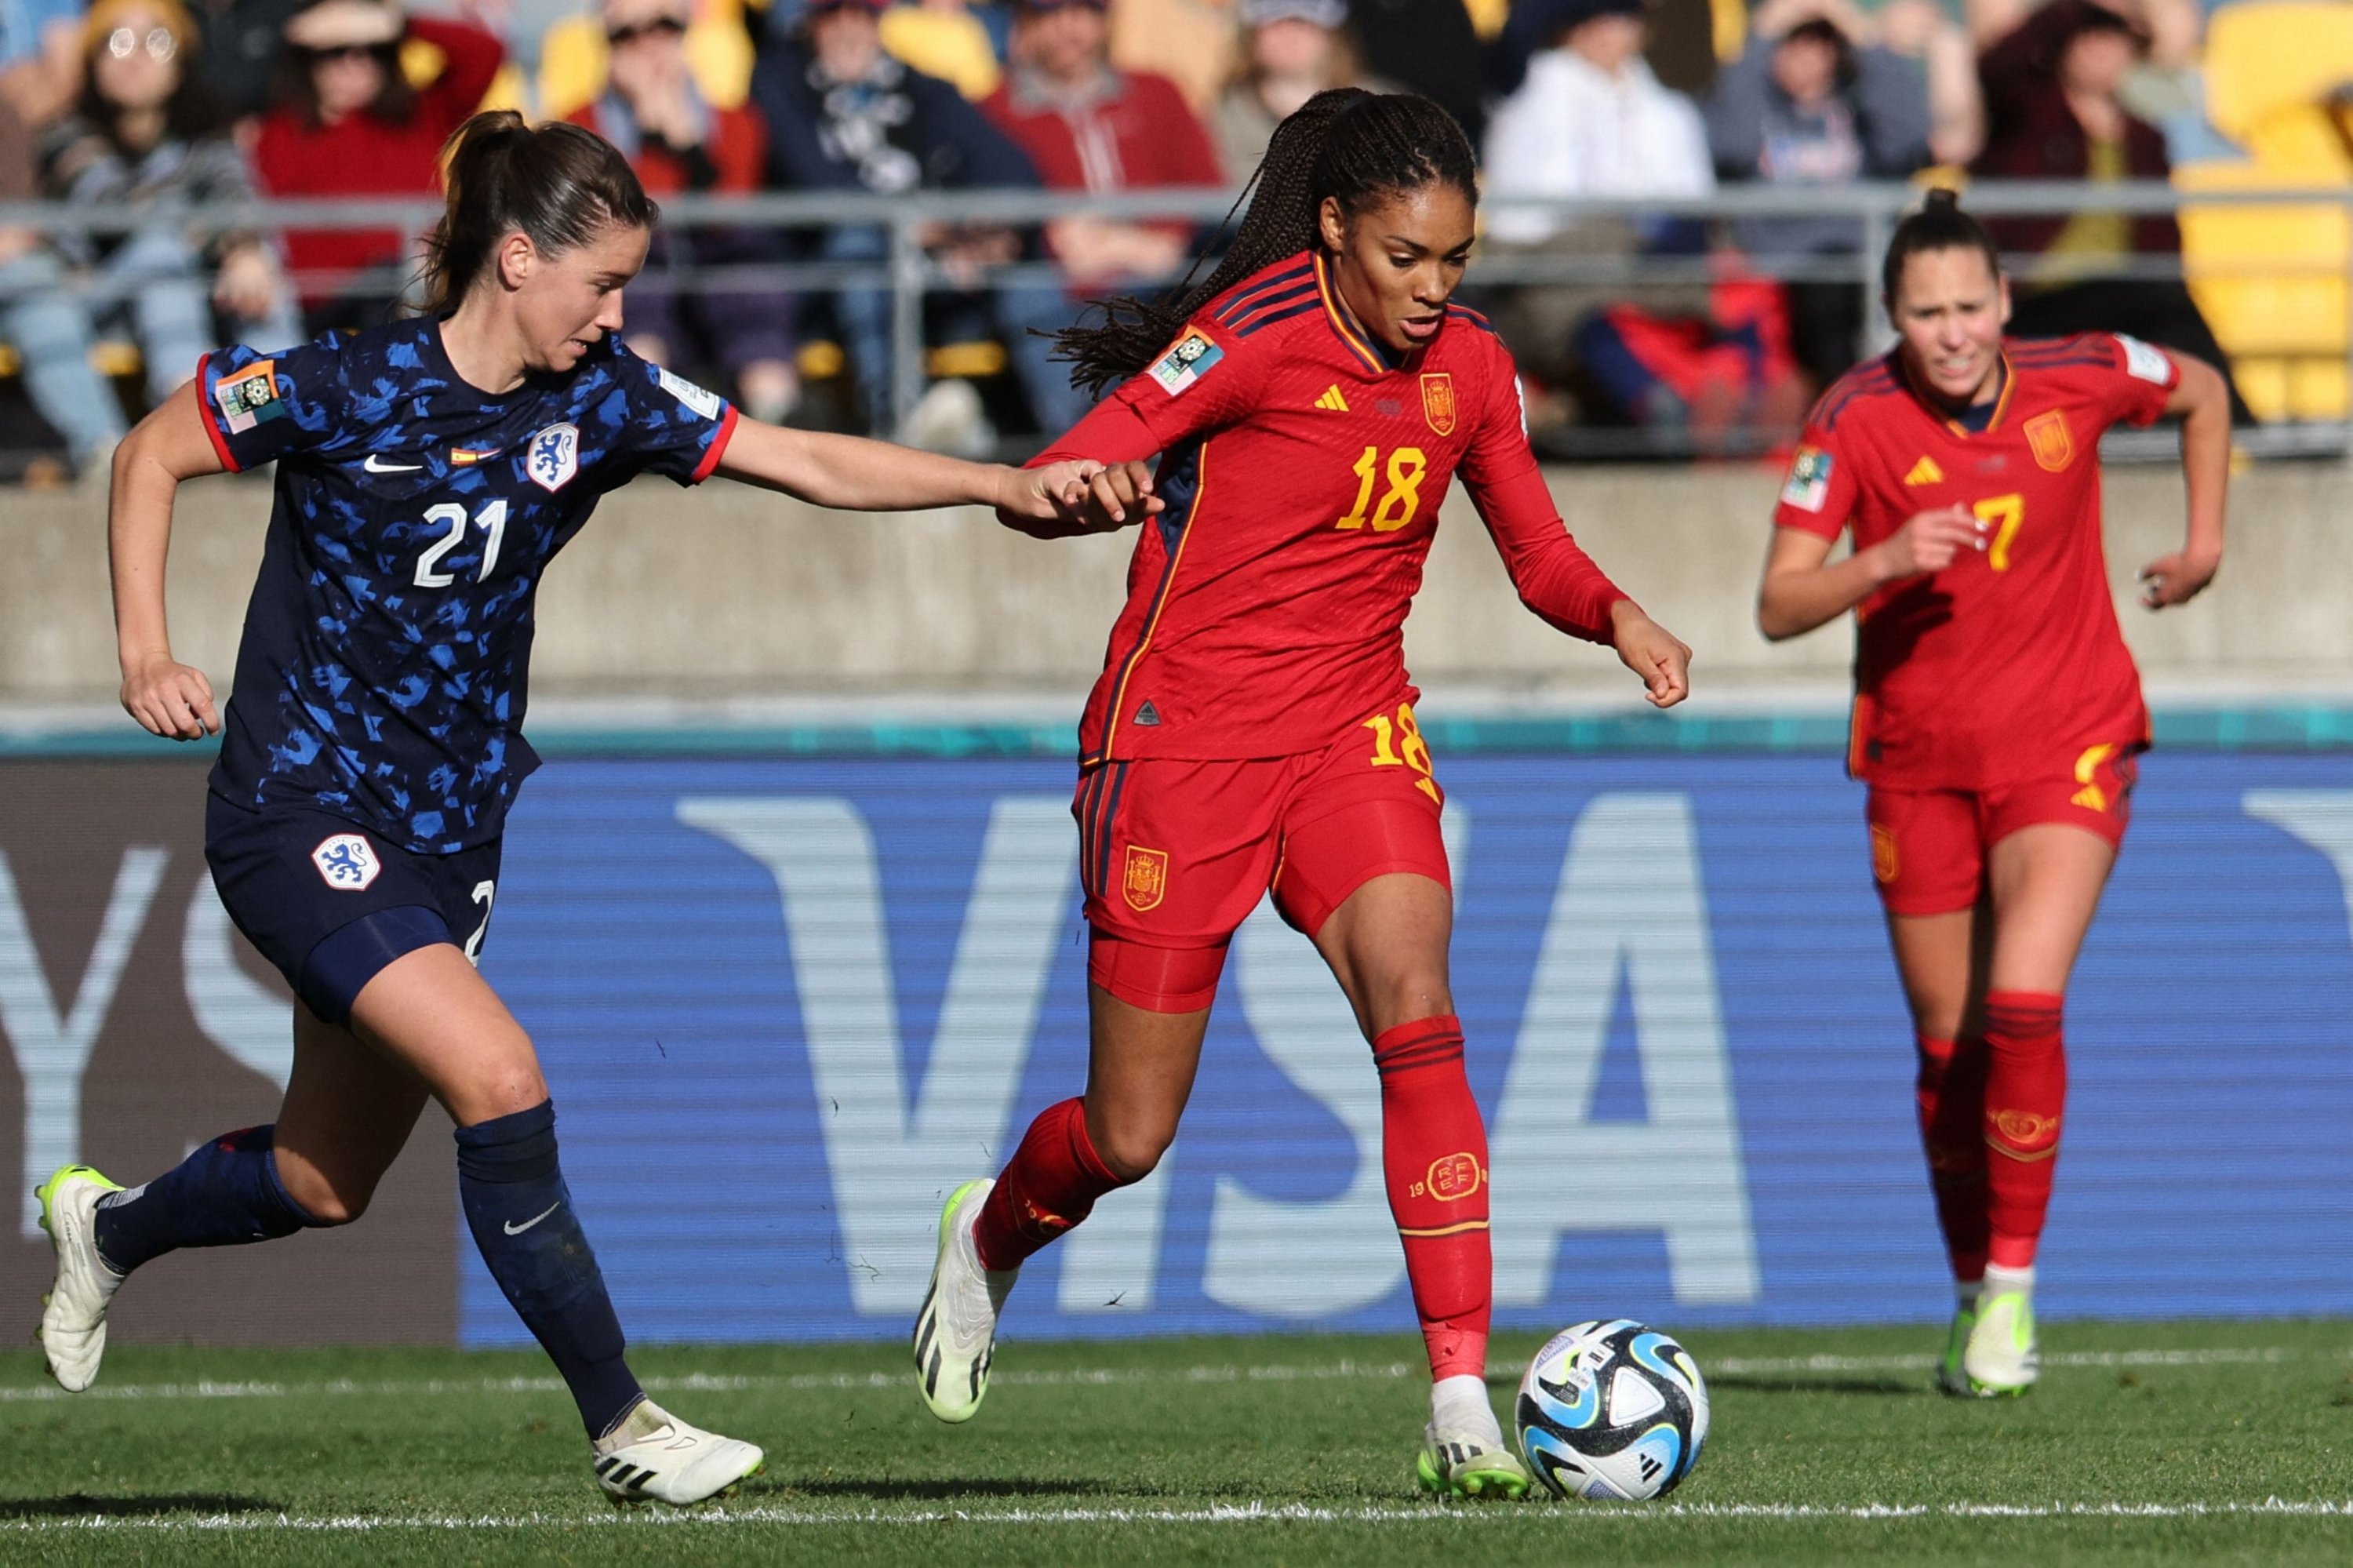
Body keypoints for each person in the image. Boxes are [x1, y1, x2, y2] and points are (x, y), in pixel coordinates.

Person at [42, 110, 1098, 1505]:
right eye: (601, 284)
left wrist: (997, 485)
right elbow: (150, 452)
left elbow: (802, 456)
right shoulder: (350, 379)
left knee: (321, 1178)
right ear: (518, 257)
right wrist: (143, 649)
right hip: (295, 803)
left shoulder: (596, 403)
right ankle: (624, 1420)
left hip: (448, 832)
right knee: (502, 1077)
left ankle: (110, 1227)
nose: (618, 314)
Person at [907, 88, 1693, 1497]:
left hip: (1351, 731)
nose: (1432, 290)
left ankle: (1458, 1394)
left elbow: (1538, 550)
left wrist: (1621, 614)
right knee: (1129, 1134)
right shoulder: (1257, 333)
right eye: (1407, 258)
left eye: (1455, 261)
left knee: (1420, 1000)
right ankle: (988, 1235)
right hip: (1180, 747)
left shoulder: (1472, 369)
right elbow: (1098, 442)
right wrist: (1074, 482)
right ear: (1336, 231)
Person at [1755, 190, 2228, 1397]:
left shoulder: (2079, 373)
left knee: (2023, 1002)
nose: (1954, 331)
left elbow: (2203, 391)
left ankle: (2012, 1296)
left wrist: (2204, 540)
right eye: (1928, 312)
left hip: (2069, 739)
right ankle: (1972, 1284)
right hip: (1916, 760)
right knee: (1948, 1045)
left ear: (2005, 304)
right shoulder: (1853, 419)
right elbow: (1777, 603)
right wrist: (1885, 559)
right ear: (1893, 317)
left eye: (1971, 305)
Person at [751, 0, 1082, 441]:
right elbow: (820, 186)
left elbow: (1015, 168)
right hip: (834, 286)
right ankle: (901, 418)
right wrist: (927, 231)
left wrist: (992, 230)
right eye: (835, 15)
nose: (850, 28)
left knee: (1025, 271)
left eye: (863, 14)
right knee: (859, 245)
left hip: (947, 268)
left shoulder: (920, 87)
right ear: (811, 23)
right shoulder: (778, 84)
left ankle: (1079, 437)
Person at [1971, 0, 2249, 421]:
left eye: (2112, 42)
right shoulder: (2031, 117)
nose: (2101, 53)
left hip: (2129, 290)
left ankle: (2226, 422)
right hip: (2042, 292)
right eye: (2088, 42)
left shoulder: (2145, 136)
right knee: (2159, 306)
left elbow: (2162, 234)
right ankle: (2241, 425)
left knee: (2168, 312)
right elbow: (1999, 63)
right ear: (2063, 49)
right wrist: (2078, 7)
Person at [43, 0, 304, 411]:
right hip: (96, 298)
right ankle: (191, 415)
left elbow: (236, 195)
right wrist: (212, 232)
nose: (138, 57)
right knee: (159, 253)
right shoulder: (66, 136)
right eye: (118, 42)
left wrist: (243, 249)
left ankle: (275, 418)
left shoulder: (206, 133)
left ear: (181, 63)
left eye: (158, 42)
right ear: (93, 61)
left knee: (258, 256)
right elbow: (118, 212)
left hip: (199, 287)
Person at [570, 0, 800, 424]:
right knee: (631, 294)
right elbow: (619, 215)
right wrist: (647, 127)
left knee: (749, 287)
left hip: (721, 266)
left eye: (664, 28)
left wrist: (684, 139)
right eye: (628, 35)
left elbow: (730, 211)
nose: (649, 46)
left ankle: (777, 417)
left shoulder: (736, 121)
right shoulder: (580, 125)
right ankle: (640, 420)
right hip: (639, 275)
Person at [1704, 0, 1931, 391]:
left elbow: (1908, 142)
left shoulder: (1860, 104)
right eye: (1793, 44)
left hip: (1852, 263)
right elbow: (1730, 145)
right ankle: (1836, 422)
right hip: (1774, 263)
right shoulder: (1756, 100)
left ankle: (1846, 420)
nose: (1806, 58)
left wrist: (1865, 39)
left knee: (1849, 300)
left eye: (1820, 45)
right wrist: (1759, 38)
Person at [254, 0, 505, 334]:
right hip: (319, 306)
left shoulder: (419, 115)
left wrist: (398, 23)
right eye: (336, 51)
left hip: (412, 293)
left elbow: (484, 53)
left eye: (373, 50)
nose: (355, 62)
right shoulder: (281, 132)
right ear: (310, 61)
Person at [981, 0, 1222, 294]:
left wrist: (1146, 245)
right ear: (1024, 22)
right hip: (1060, 290)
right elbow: (996, 218)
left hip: (1167, 276)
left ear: (1106, 19)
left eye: (1084, 12)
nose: (1068, 29)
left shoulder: (1158, 93)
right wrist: (1062, 244)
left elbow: (1208, 192)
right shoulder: (995, 112)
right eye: (1050, 13)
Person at [1208, 0, 1388, 185]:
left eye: (1304, 24)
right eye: (1275, 24)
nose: (1290, 37)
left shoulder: (1382, 109)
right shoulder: (1220, 117)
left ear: (1331, 36)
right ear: (1252, 36)